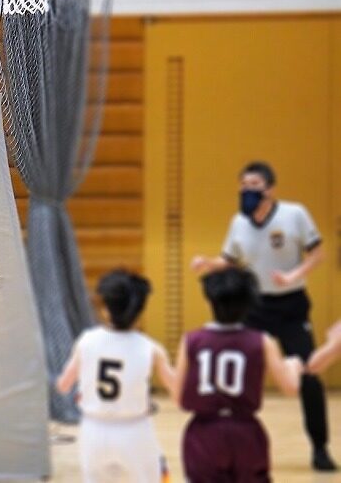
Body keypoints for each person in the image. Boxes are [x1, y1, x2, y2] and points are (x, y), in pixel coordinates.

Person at [190, 161, 335, 471]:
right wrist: (207, 262)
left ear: (270, 189)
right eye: (243, 185)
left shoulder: (294, 214)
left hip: (292, 306)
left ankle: (320, 447)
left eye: (254, 185)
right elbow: (229, 260)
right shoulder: (238, 223)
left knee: (309, 373)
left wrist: (293, 275)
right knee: (236, 373)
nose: (247, 191)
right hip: (254, 307)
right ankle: (228, 445)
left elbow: (318, 253)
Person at [175, 267, 303, 482]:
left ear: (211, 302)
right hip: (245, 432)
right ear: (249, 304)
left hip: (204, 431)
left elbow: (179, 397)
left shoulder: (191, 340)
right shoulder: (262, 340)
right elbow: (291, 388)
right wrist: (294, 367)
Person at [56, 270, 176, 483]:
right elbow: (178, 393)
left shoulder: (86, 341)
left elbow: (64, 385)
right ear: (140, 311)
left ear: (105, 308)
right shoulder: (151, 348)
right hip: (135, 429)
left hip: (94, 429)